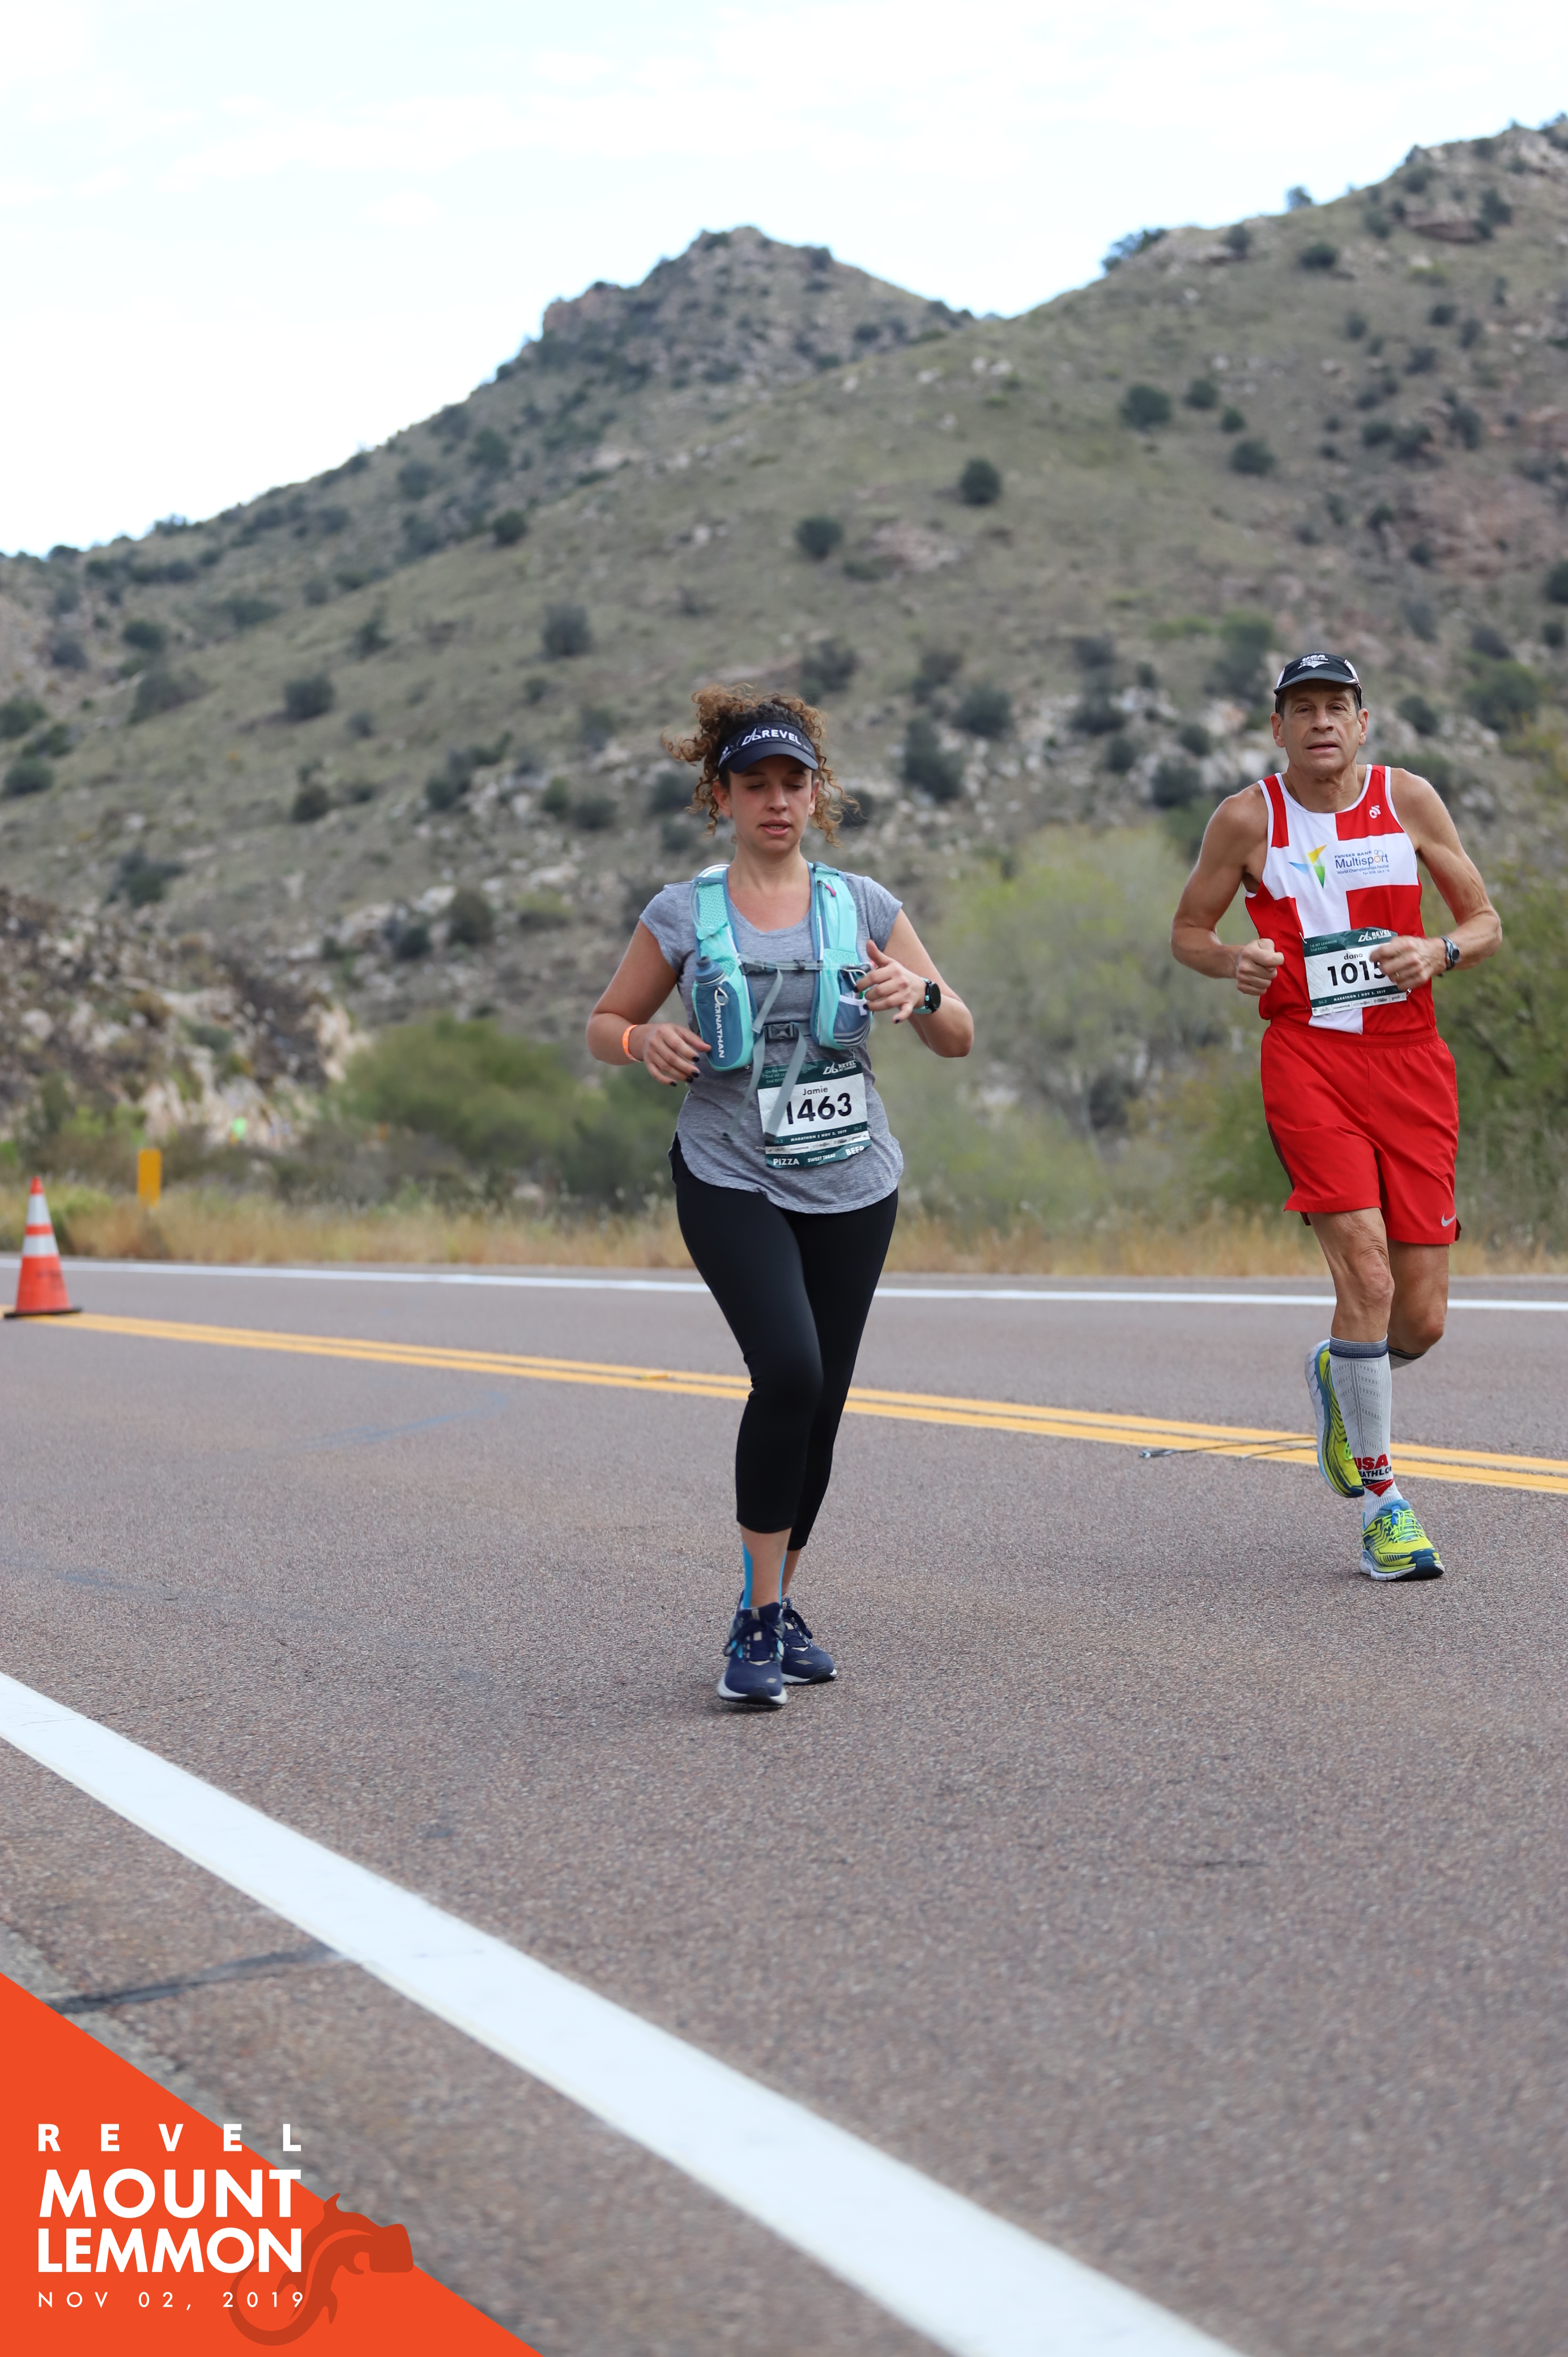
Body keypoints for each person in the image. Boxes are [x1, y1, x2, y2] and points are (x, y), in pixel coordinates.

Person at [588, 687, 974, 1701]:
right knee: (791, 1374)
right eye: (753, 784)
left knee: (824, 1405)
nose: (775, 800)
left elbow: (958, 1033)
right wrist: (642, 1040)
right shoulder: (684, 912)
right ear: (720, 796)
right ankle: (757, 1625)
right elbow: (604, 1022)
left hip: (854, 1181)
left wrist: (921, 994)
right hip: (731, 1171)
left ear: (816, 793)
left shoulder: (865, 906)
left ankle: (775, 1601)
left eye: (792, 782)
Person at [1171, 652, 1501, 1581]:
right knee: (1366, 1270)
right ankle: (1386, 1508)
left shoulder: (1410, 800)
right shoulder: (1248, 819)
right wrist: (1232, 959)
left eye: (1336, 707)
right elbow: (1189, 932)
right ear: (1277, 728)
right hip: (1310, 1060)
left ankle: (1341, 1369)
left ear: (1362, 723)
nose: (1321, 721)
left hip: (1411, 1063)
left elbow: (1485, 922)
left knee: (1421, 1318)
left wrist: (1438, 951)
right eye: (1302, 708)